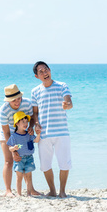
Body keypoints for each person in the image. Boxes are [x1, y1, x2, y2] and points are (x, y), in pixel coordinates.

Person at [31, 61, 74, 198]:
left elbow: (69, 103)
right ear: (37, 76)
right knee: (45, 165)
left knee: (65, 163)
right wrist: (36, 123)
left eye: (46, 69)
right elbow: (34, 113)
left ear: (50, 70)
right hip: (44, 133)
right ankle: (53, 190)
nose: (45, 73)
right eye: (41, 72)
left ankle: (62, 191)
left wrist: (66, 105)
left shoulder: (62, 86)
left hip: (62, 132)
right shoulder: (35, 91)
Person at [0, 84, 40, 197]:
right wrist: (13, 151)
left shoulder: (26, 103)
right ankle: (8, 190)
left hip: (24, 134)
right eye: (14, 100)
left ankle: (30, 190)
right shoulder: (4, 110)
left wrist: (30, 128)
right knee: (9, 161)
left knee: (25, 159)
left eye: (19, 98)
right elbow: (6, 132)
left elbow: (31, 118)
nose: (17, 102)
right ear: (8, 100)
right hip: (8, 136)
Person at [7, 111, 42, 197]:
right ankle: (19, 194)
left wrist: (38, 134)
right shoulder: (14, 136)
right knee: (19, 177)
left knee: (29, 176)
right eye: (23, 122)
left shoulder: (29, 134)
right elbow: (9, 148)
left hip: (29, 158)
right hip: (19, 159)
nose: (26, 124)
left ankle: (29, 194)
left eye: (27, 122)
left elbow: (36, 141)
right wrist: (14, 148)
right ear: (17, 123)